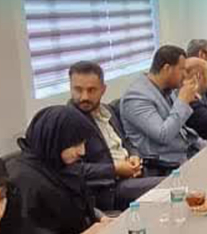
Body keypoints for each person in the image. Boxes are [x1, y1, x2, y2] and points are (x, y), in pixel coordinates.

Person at [6, 106, 112, 234]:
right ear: (54, 140)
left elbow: (79, 204)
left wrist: (102, 218)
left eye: (83, 143)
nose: (82, 151)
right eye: (75, 144)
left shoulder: (61, 165)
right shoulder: (23, 180)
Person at [68, 61, 164, 210]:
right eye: (78, 90)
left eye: (91, 90)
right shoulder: (68, 121)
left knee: (180, 178)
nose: (84, 97)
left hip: (134, 175)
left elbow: (126, 140)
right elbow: (73, 170)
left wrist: (134, 155)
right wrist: (115, 169)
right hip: (109, 188)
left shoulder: (108, 110)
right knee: (168, 187)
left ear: (103, 89)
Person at [120, 45, 206, 168]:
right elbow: (163, 135)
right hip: (167, 164)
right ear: (167, 68)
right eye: (182, 69)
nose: (185, 74)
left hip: (188, 151)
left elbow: (181, 129)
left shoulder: (166, 88)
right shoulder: (136, 98)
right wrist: (182, 101)